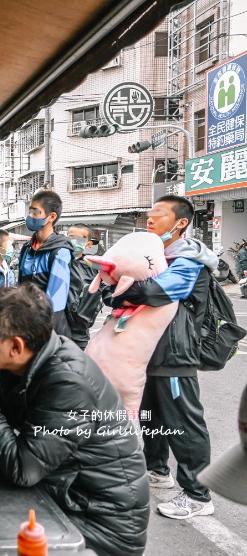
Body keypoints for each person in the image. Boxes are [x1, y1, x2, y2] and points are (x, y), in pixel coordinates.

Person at [0, 284, 149, 555]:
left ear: (16, 346)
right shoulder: (22, 366)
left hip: (99, 524)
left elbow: (23, 469)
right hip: (63, 496)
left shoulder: (68, 382)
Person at [109, 194, 217, 519]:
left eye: (159, 213)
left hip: (174, 353)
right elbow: (117, 294)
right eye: (150, 213)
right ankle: (157, 470)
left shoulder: (189, 259)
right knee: (150, 416)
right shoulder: (155, 254)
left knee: (183, 423)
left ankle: (198, 495)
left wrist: (120, 292)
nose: (150, 218)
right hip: (148, 351)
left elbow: (154, 291)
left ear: (181, 222)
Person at [17, 189, 73, 337]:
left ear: (51, 217)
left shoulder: (60, 251)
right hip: (25, 323)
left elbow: (56, 302)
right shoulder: (27, 248)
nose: (30, 216)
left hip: (47, 329)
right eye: (30, 212)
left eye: (36, 212)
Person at [65, 224, 106, 349]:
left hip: (79, 333)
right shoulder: (57, 261)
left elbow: (106, 290)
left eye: (78, 239)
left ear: (88, 245)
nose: (73, 242)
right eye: (70, 237)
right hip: (56, 330)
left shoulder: (92, 268)